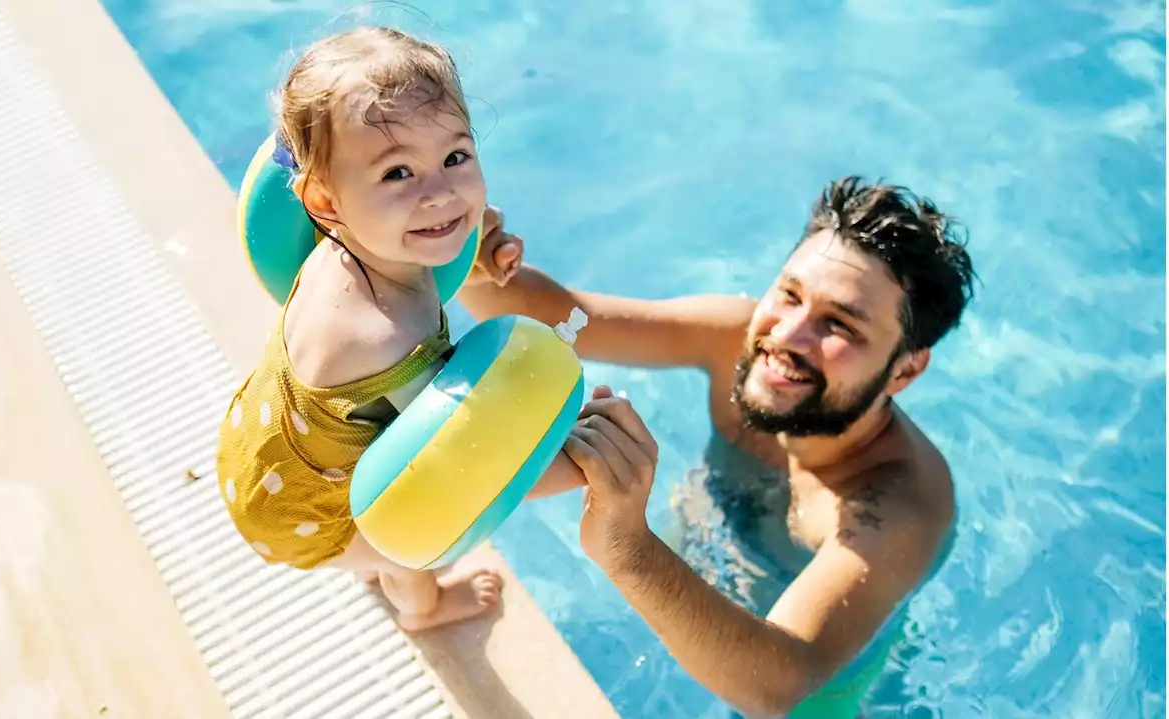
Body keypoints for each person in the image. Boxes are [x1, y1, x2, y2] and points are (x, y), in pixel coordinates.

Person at [459, 176, 976, 717]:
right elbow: (556, 313)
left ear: (906, 370)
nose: (787, 337)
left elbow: (778, 684)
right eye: (790, 294)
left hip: (813, 691)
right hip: (704, 571)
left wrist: (627, 548)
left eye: (839, 325)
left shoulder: (897, 503)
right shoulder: (736, 337)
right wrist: (472, 262)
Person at [214, 26, 579, 634]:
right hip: (303, 514)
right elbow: (461, 465)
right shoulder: (386, 339)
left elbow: (427, 248)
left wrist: (479, 256)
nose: (439, 194)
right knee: (406, 549)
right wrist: (579, 459)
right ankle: (423, 612)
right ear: (326, 201)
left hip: (256, 451)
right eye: (396, 175)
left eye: (455, 157)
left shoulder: (335, 246)